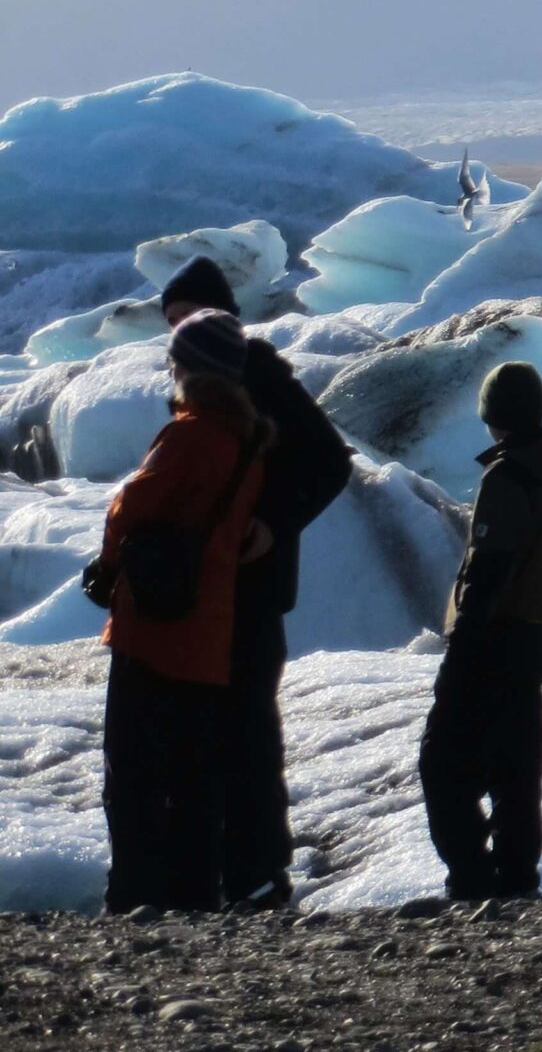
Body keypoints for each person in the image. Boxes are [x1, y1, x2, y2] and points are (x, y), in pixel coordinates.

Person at [158, 256, 354, 909]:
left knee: (246, 729)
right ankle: (223, 869)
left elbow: (329, 460)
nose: (179, 332)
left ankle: (261, 871)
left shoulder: (258, 374)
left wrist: (272, 522)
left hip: (252, 589)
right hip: (208, 590)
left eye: (187, 317)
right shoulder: (199, 381)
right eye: (174, 322)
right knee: (210, 732)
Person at [92, 310, 271, 913]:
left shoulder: (191, 434)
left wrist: (110, 563)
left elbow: (130, 509)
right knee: (193, 779)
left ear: (192, 371)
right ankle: (195, 899)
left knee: (134, 777)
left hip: (153, 627)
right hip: (207, 632)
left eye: (176, 363)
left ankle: (133, 900)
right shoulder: (245, 440)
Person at [418, 362, 542, 901]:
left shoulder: (509, 476)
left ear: (495, 416)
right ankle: (516, 880)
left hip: (490, 642)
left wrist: (466, 635)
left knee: (444, 765)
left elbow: (490, 564)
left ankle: (470, 876)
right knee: (515, 769)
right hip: (533, 641)